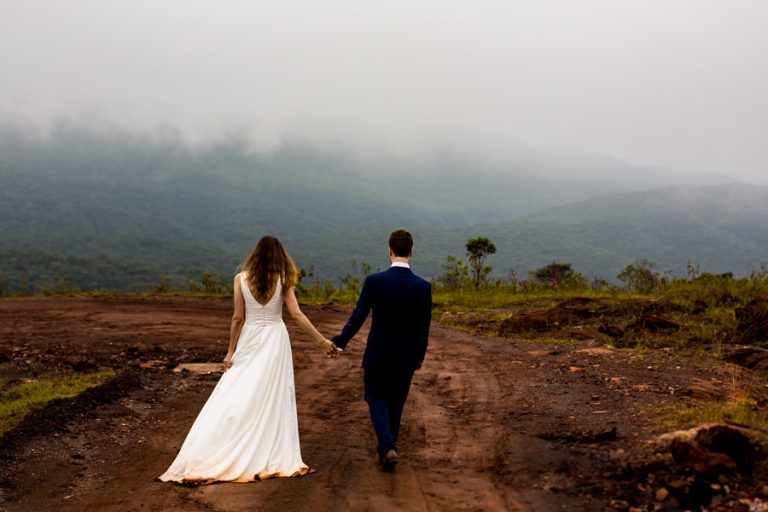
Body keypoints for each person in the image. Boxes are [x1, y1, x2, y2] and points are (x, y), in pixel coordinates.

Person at [158, 236, 337, 484]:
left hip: (250, 337)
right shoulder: (283, 280)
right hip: (275, 338)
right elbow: (296, 314)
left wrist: (231, 351)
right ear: (279, 256)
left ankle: (225, 438)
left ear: (255, 255)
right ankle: (267, 445)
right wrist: (321, 341)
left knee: (239, 387)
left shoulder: (240, 279)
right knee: (272, 393)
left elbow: (237, 318)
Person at [331, 229, 432, 472]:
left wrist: (340, 342)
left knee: (375, 397)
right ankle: (389, 448)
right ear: (411, 252)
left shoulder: (375, 282)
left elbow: (358, 316)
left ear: (389, 250)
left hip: (378, 353)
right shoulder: (423, 287)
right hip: (407, 356)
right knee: (397, 403)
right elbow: (424, 327)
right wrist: (419, 356)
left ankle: (387, 447)